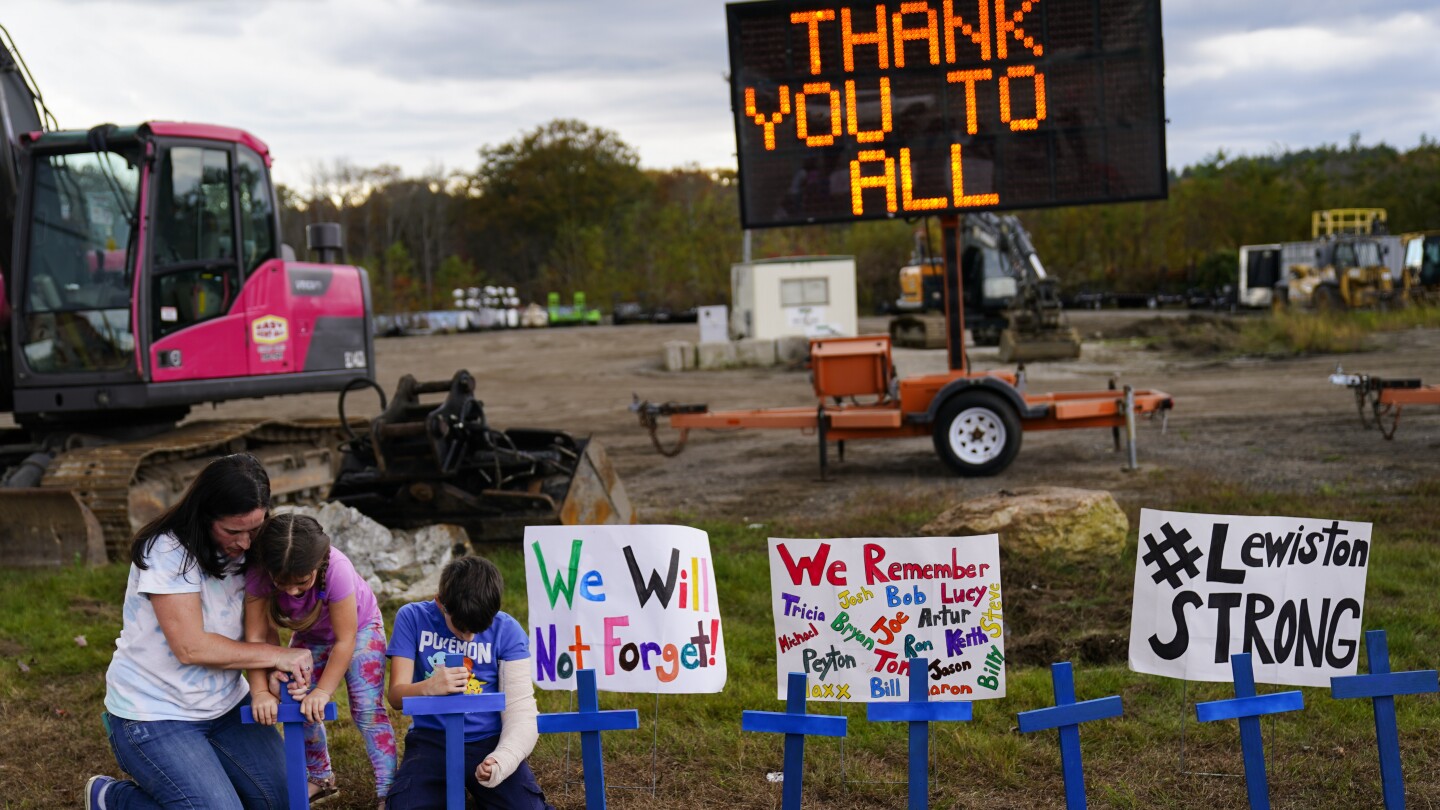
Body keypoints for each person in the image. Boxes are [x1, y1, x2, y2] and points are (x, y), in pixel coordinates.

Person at [86, 453, 313, 810]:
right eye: (233, 532)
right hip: (154, 712)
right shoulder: (166, 549)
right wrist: (279, 655)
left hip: (226, 705)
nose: (246, 543)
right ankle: (113, 799)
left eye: (255, 529)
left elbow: (261, 626)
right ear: (205, 516)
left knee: (284, 801)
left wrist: (270, 675)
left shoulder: (254, 548)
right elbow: (190, 647)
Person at [244, 514, 397, 808]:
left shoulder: (337, 568)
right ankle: (321, 778)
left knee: (367, 709)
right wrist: (261, 690)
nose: (291, 591)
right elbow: (256, 639)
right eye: (282, 584)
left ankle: (388, 789)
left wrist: (323, 691)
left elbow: (345, 640)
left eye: (302, 583)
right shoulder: (258, 573)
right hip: (309, 637)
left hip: (359, 629)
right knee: (296, 701)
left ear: (318, 563)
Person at [385, 556, 554, 809]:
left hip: (489, 740)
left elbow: (521, 711)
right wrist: (429, 687)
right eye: (462, 627)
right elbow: (396, 697)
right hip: (432, 740)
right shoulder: (412, 618)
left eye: (478, 628)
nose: (469, 636)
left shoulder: (507, 630)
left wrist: (501, 759)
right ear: (441, 603)